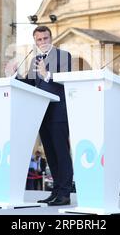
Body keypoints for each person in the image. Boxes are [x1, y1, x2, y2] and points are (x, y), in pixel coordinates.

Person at [13, 26, 73, 206]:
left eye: (45, 38)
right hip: (42, 113)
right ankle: (55, 191)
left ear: (51, 38)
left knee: (61, 153)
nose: (43, 42)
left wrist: (47, 75)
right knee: (51, 154)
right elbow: (31, 85)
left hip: (59, 112)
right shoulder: (35, 60)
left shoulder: (63, 56)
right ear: (35, 41)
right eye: (39, 40)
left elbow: (65, 79)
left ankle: (65, 193)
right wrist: (15, 76)